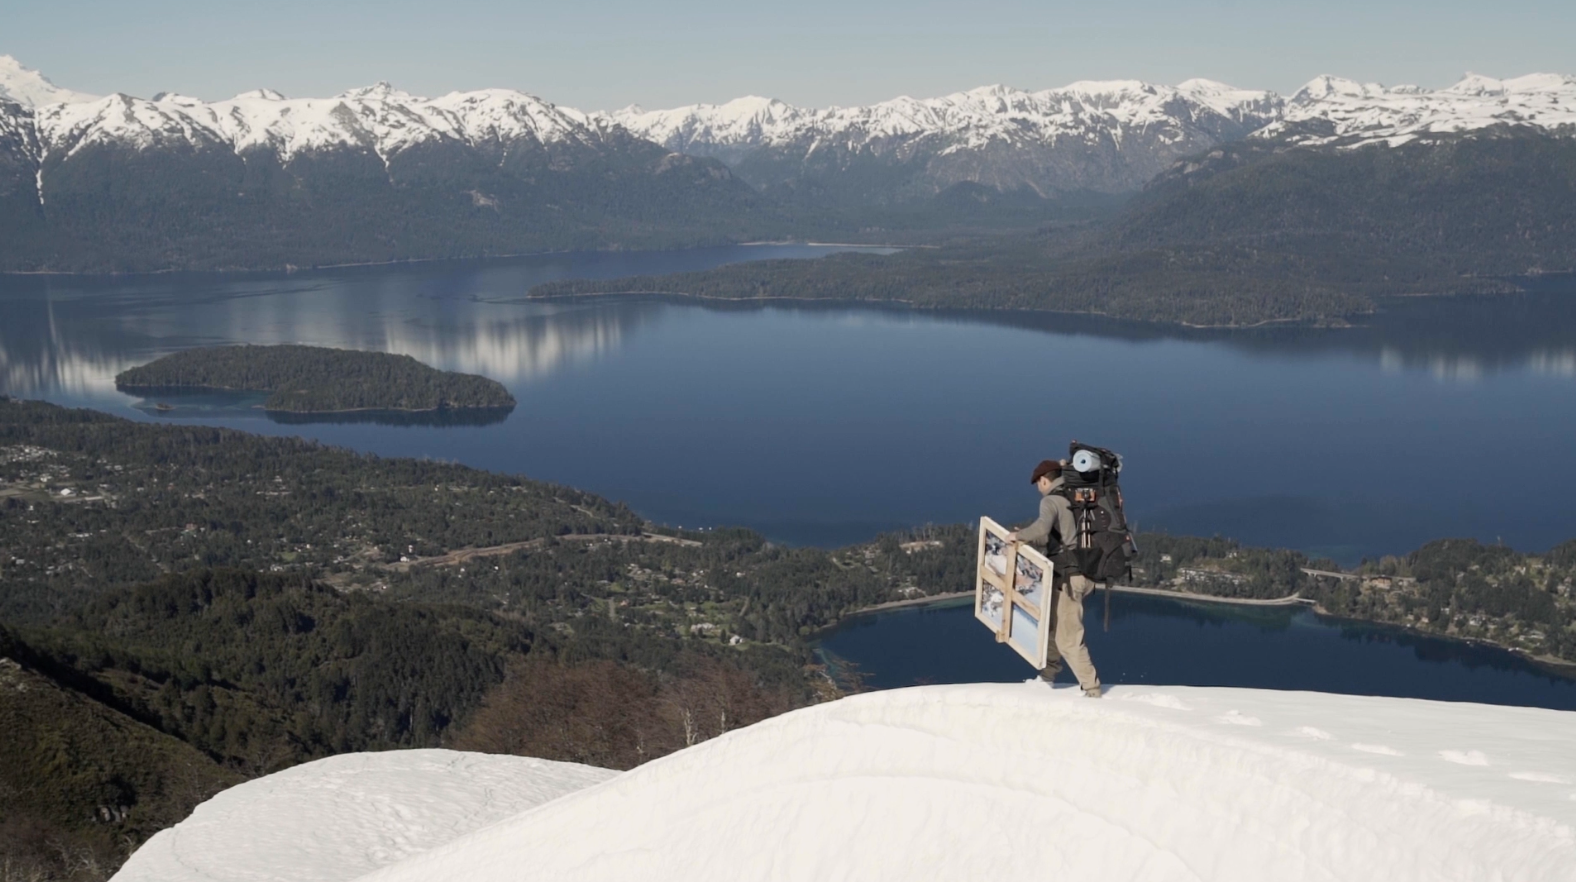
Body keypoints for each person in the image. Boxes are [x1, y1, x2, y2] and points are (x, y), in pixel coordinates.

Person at [1007, 459, 1102, 698]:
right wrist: (1025, 536)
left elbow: (1040, 530)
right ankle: (1047, 677)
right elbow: (1054, 538)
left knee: (1068, 638)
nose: (1039, 489)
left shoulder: (1051, 500)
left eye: (1038, 484)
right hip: (1079, 573)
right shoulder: (1074, 500)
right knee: (1051, 628)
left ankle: (1092, 690)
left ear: (1044, 480)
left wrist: (1017, 536)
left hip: (1069, 577)